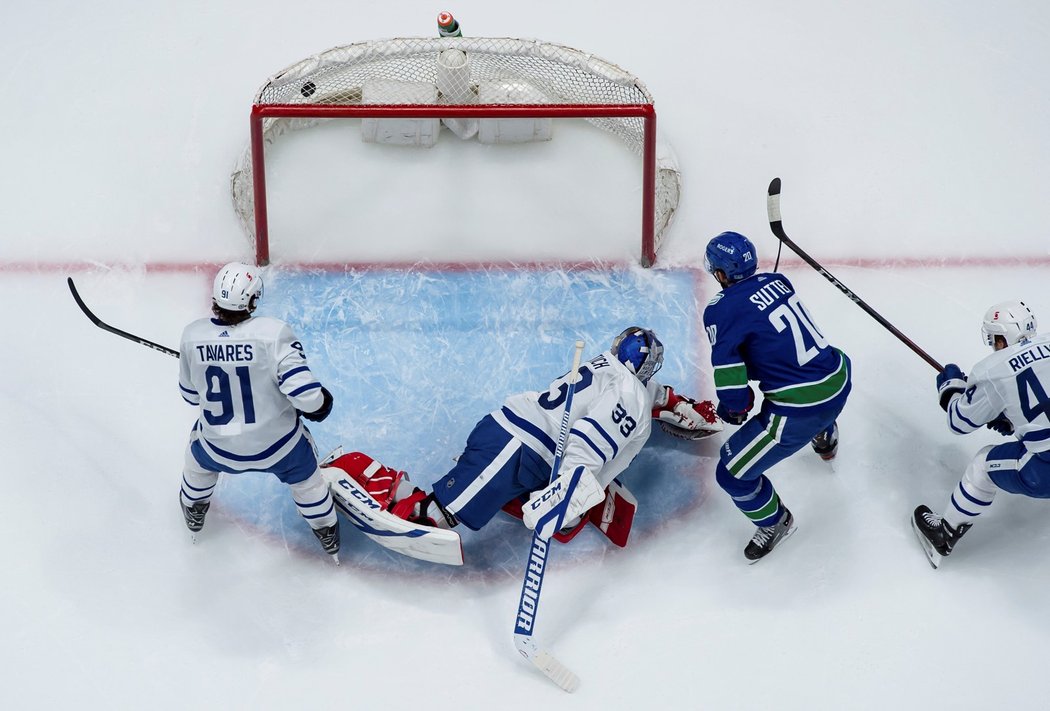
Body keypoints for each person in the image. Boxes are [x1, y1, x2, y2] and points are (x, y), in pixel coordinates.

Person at [324, 327, 721, 561]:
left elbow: (654, 395)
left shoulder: (608, 368)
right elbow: (587, 441)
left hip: (518, 443)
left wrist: (677, 405)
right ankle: (357, 468)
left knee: (551, 508)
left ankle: (519, 494)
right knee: (431, 517)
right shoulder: (631, 394)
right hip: (516, 448)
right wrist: (565, 492)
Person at [702, 231, 852, 563]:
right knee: (796, 374)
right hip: (839, 378)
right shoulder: (778, 280)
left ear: (722, 274)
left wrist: (734, 408)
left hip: (801, 411)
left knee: (731, 474)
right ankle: (824, 434)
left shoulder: (720, 310)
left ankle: (776, 522)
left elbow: (730, 375)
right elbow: (772, 344)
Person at [177, 262, 340, 560]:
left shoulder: (192, 336)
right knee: (306, 477)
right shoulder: (273, 333)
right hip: (279, 450)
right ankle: (325, 529)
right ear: (252, 299)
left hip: (218, 450)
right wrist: (322, 404)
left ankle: (193, 507)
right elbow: (307, 397)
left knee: (197, 456)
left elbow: (190, 395)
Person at [912, 300, 1050, 568]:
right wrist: (1013, 420)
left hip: (1046, 471)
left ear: (1000, 337)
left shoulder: (993, 371)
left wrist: (951, 389)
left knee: (982, 466)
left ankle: (945, 533)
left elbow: (959, 421)